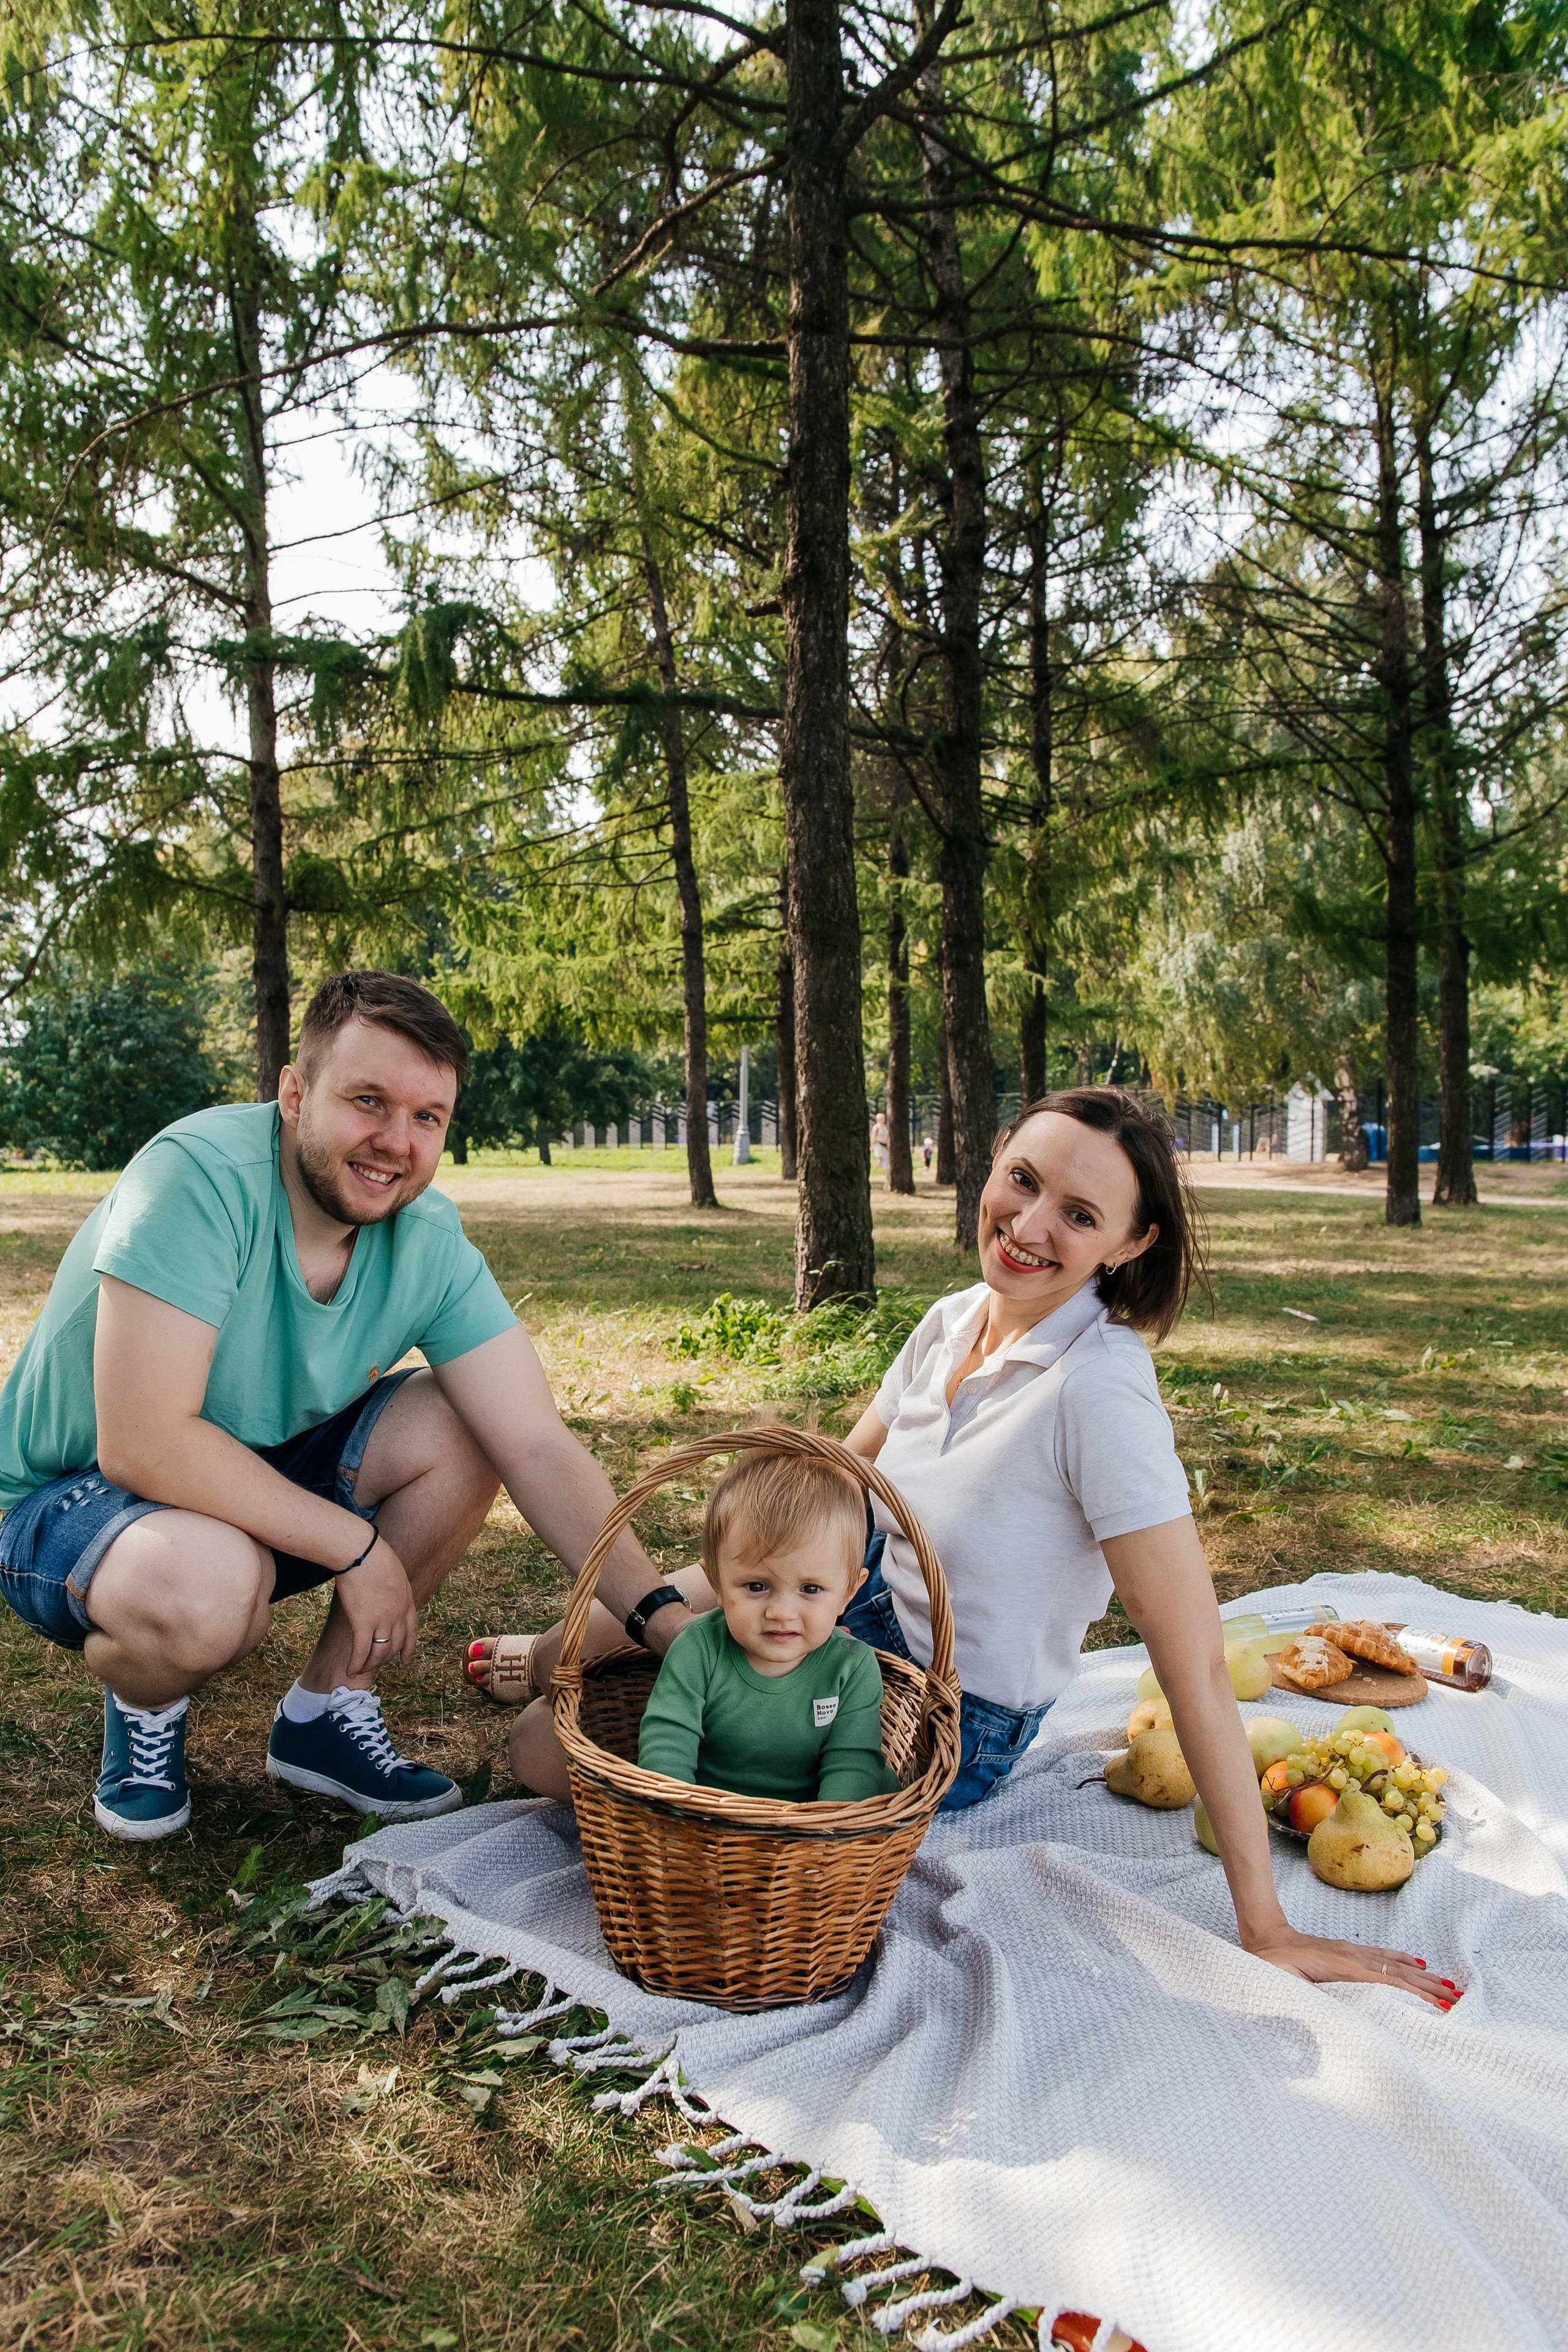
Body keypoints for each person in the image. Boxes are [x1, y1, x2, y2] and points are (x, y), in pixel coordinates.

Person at [473, 1086, 1447, 2011]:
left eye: (1078, 1214)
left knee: (541, 1752)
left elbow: (1189, 1656)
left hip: (946, 1703)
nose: (1029, 1228)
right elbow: (836, 1485)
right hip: (852, 1606)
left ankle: (588, 1665)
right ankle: (568, 1651)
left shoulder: (1100, 1392)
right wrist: (739, 1581)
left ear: (1131, 1242)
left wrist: (1264, 1924)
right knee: (615, 1644)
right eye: (1022, 1182)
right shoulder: (950, 1322)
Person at [0, 970, 690, 1841]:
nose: (395, 1142)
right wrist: (355, 1546)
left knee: (466, 1421)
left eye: (426, 1117)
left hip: (242, 1479)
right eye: (368, 1101)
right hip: (71, 1496)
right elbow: (142, 1444)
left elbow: (537, 1447)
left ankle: (326, 1712)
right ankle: (145, 1703)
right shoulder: (196, 1178)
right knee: (213, 1586)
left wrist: (664, 1618)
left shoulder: (427, 1239)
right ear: (295, 1094)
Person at [635, 1448, 895, 1803]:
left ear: (848, 1593)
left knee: (877, 1787)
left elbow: (852, 1761)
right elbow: (668, 1740)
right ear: (717, 1583)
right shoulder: (699, 1647)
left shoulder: (852, 1665)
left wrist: (825, 1835)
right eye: (756, 1587)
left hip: (816, 1825)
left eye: (811, 1589)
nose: (781, 1612)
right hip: (712, 1817)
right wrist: (676, 1813)